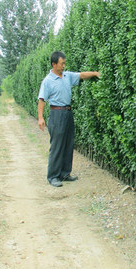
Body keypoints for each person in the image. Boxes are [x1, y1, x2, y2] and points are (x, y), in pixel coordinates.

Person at [37, 51, 100, 187]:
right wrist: (40, 118)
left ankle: (65, 174)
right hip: (56, 115)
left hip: (68, 113)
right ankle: (53, 176)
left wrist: (95, 73)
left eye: (65, 63)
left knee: (68, 144)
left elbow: (82, 75)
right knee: (57, 146)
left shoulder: (67, 76)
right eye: (62, 64)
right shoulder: (48, 81)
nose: (64, 66)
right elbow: (41, 100)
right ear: (54, 64)